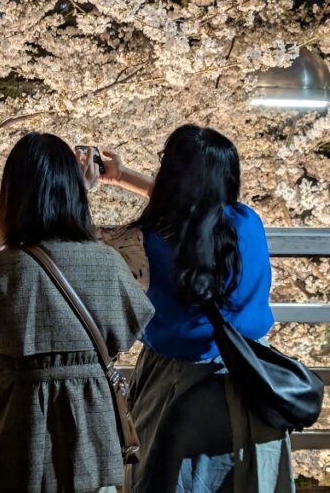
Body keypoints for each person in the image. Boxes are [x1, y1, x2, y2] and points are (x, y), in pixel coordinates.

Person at [82, 124, 294, 492]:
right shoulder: (248, 222)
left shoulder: (144, 241)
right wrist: (128, 178)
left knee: (166, 477)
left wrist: (90, 186)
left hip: (173, 385)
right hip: (249, 379)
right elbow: (198, 212)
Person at [0, 132, 153, 493]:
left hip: (14, 440)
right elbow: (128, 330)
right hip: (92, 437)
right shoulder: (109, 265)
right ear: (75, 192)